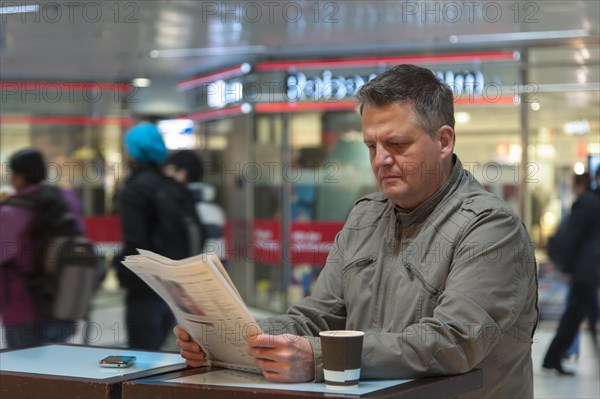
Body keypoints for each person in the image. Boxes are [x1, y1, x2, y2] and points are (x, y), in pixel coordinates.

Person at [174, 64, 539, 398]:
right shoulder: (365, 217)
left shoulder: (491, 228)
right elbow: (318, 317)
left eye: (397, 144)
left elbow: (452, 342)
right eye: (371, 145)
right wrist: (237, 337)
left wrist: (318, 358)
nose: (381, 159)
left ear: (444, 142)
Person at [116, 122, 193, 350]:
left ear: (133, 151)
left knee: (142, 353)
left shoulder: (135, 189)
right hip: (174, 285)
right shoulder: (174, 187)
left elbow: (135, 241)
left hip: (145, 286)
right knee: (166, 350)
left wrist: (123, 272)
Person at [0, 148, 83, 348]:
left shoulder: (12, 211)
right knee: (54, 370)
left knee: (26, 374)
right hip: (63, 301)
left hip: (23, 308)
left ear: (18, 177)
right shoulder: (66, 200)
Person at [542, 172, 600, 374]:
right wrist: (566, 266)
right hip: (585, 272)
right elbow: (573, 236)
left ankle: (552, 358)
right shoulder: (588, 203)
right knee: (589, 315)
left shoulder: (590, 201)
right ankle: (553, 358)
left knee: (575, 316)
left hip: (585, 271)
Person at [163, 150, 228, 264]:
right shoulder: (214, 209)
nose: (166, 175)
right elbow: (219, 258)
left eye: (170, 170)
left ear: (182, 173)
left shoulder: (183, 206)